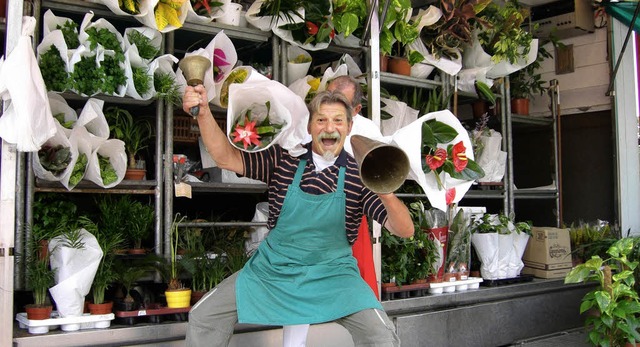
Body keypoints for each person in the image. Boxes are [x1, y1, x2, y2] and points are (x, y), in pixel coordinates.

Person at [182, 86, 414, 347]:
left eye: (338, 120)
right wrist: (202, 113)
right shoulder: (285, 159)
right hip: (273, 271)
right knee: (204, 315)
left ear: (349, 127)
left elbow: (404, 230)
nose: (329, 127)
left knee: (380, 336)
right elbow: (226, 158)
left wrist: (385, 188)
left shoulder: (360, 175)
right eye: (321, 120)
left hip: (334, 276)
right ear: (310, 126)